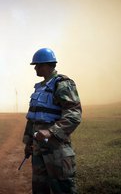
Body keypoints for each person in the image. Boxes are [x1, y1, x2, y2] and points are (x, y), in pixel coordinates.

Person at [22, 48, 82, 194]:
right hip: (38, 150)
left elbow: (74, 113)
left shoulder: (62, 84)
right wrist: (29, 142)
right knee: (39, 188)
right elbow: (33, 118)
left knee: (62, 188)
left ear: (48, 65)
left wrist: (51, 132)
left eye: (38, 65)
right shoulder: (39, 88)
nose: (35, 68)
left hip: (57, 149)